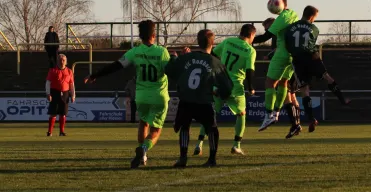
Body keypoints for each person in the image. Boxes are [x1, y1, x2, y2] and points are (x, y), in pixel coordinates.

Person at [84, 20, 171, 169]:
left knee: (143, 123)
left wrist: (95, 75)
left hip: (142, 96)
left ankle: (142, 156)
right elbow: (171, 70)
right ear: (154, 35)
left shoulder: (135, 52)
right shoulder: (162, 52)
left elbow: (116, 66)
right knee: (156, 130)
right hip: (159, 95)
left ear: (140, 36)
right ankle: (143, 149)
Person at [166, 29, 233, 168]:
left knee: (184, 127)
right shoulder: (215, 62)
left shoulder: (186, 58)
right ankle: (212, 159)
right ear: (213, 43)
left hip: (186, 100)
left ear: (197, 41)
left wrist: (174, 57)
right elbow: (227, 87)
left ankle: (183, 158)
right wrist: (219, 93)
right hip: (204, 101)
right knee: (212, 129)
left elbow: (169, 70)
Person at [284, 5, 350, 137]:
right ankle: (342, 99)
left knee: (304, 90)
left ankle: (311, 118)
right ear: (312, 16)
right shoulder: (314, 28)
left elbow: (288, 44)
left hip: (298, 60)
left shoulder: (290, 28)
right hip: (312, 57)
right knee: (327, 77)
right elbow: (310, 43)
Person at [194, 24, 256, 156]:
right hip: (235, 87)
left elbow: (214, 55)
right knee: (241, 114)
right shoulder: (250, 50)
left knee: (210, 115)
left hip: (219, 84)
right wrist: (251, 87)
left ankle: (199, 143)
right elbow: (250, 70)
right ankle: (236, 145)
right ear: (251, 35)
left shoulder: (228, 41)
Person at [252, 0, 299, 131]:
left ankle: (269, 114)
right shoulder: (293, 14)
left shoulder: (282, 18)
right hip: (292, 55)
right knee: (283, 83)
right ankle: (277, 113)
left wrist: (248, 39)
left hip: (282, 53)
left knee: (270, 82)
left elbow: (265, 37)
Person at [45, 54, 75, 136]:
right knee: (53, 113)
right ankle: (49, 132)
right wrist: (48, 93)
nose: (61, 62)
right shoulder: (53, 70)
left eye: (63, 60)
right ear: (57, 61)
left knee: (63, 113)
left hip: (65, 93)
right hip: (54, 93)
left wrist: (73, 95)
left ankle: (61, 132)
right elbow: (48, 83)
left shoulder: (69, 71)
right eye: (60, 60)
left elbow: (71, 84)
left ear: (66, 62)